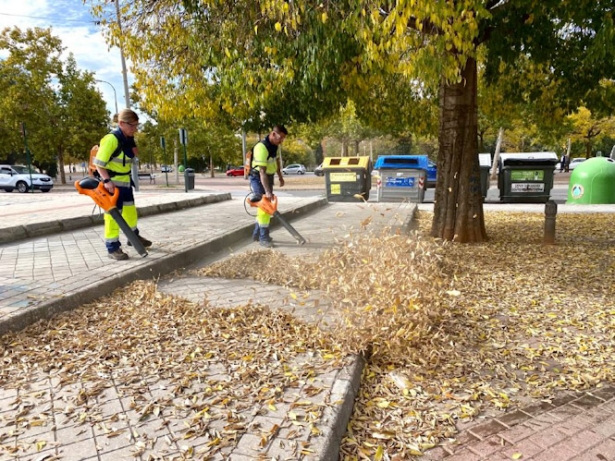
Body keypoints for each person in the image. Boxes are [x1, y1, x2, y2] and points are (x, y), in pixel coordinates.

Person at [94, 108, 152, 260]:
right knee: (113, 216)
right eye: (132, 125)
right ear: (121, 123)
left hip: (125, 183)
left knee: (130, 213)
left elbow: (135, 155)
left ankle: (133, 238)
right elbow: (99, 164)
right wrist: (107, 181)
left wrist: (131, 141)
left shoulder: (127, 138)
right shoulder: (111, 139)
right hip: (112, 185)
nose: (135, 129)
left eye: (136, 125)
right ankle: (113, 248)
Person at [248, 125, 287, 247]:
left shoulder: (275, 146)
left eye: (283, 139)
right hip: (258, 178)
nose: (281, 141)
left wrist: (280, 176)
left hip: (268, 177)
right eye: (280, 137)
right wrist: (267, 192)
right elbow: (262, 172)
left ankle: (256, 235)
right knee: (265, 206)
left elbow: (276, 162)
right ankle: (263, 238)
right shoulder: (261, 147)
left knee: (262, 208)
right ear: (273, 134)